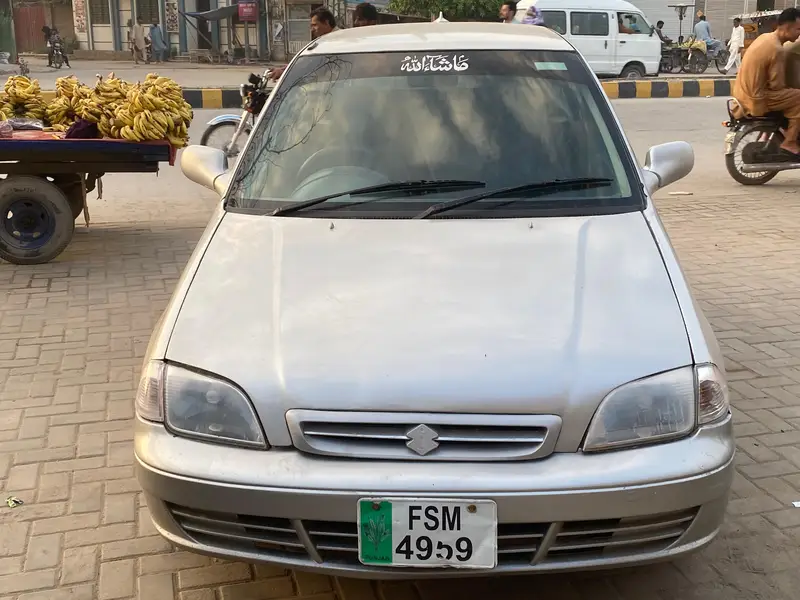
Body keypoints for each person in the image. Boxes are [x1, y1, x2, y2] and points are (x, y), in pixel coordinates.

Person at [733, 7, 800, 156]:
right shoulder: (777, 49)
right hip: (756, 99)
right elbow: (777, 85)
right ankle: (789, 142)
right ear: (787, 27)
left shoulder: (765, 37)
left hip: (741, 94)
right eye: (798, 29)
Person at [269, 8, 337, 81]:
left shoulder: (337, 40)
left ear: (326, 23)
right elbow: (307, 60)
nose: (312, 29)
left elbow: (310, 63)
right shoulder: (325, 40)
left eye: (315, 25)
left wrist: (285, 71)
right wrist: (284, 69)